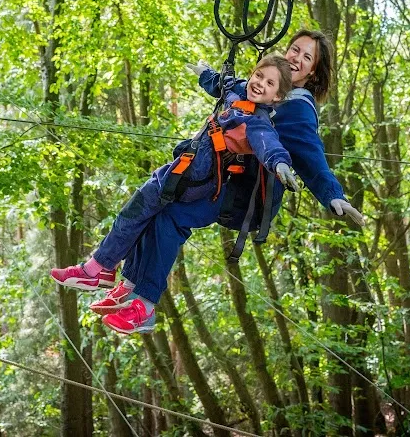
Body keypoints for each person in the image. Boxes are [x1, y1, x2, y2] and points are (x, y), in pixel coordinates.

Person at [51, 54, 300, 332]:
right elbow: (223, 83)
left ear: (277, 97)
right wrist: (205, 73)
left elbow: (267, 144)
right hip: (183, 170)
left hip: (197, 179)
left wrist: (280, 163)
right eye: (258, 76)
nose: (260, 84)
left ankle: (99, 269)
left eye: (269, 83)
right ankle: (129, 284)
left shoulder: (258, 121)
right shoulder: (237, 92)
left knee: (138, 207)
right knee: (150, 215)